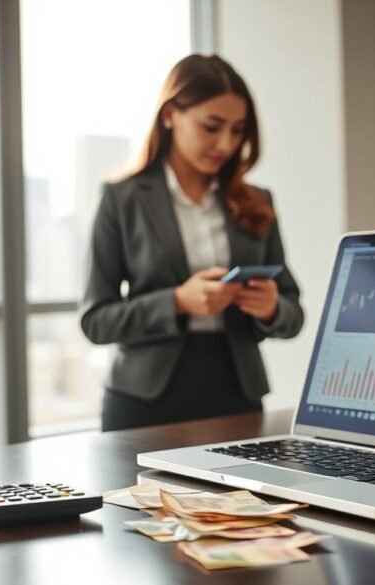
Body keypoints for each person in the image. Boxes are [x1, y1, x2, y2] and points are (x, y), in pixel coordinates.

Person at [80, 54, 304, 432]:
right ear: (170, 115)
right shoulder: (122, 198)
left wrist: (270, 308)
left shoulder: (257, 202)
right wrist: (178, 301)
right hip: (144, 402)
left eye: (237, 130)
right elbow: (95, 321)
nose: (226, 143)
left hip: (237, 395)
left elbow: (293, 314)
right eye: (211, 126)